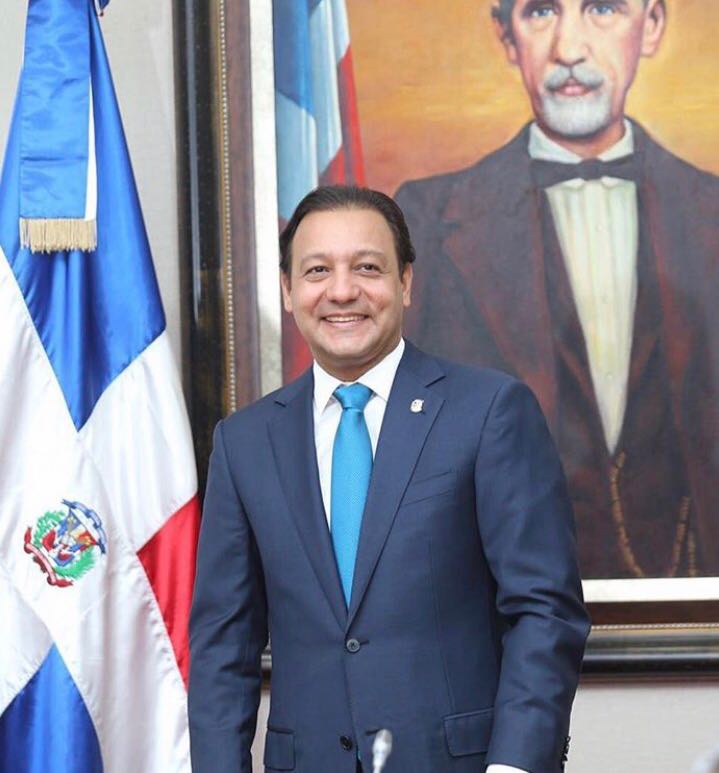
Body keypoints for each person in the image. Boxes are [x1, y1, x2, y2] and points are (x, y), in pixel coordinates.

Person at [188, 185, 589, 773]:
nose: (341, 291)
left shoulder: (489, 411)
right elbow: (223, 645)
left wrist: (515, 765)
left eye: (367, 268)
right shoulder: (244, 442)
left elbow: (545, 611)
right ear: (288, 290)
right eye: (317, 270)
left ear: (405, 282)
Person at [397, 0, 719, 579]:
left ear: (650, 26)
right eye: (541, 11)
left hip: (688, 606)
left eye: (602, 9)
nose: (569, 49)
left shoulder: (712, 212)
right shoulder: (426, 219)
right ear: (506, 36)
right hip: (495, 606)